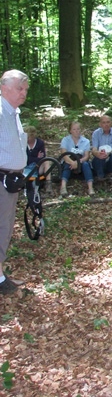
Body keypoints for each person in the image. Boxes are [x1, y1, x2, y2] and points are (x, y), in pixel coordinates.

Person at [0, 69, 29, 294]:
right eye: (20, 88)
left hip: (11, 181)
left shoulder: (13, 113)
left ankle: (0, 274)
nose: (24, 92)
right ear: (4, 87)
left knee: (6, 227)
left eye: (25, 89)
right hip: (1, 180)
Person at [59, 121, 94, 197]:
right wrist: (72, 162)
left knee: (86, 164)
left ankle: (90, 188)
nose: (76, 131)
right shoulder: (65, 140)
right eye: (74, 129)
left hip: (80, 161)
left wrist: (78, 162)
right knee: (67, 164)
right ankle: (63, 186)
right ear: (70, 130)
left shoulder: (86, 141)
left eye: (78, 129)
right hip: (68, 161)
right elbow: (64, 155)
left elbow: (87, 156)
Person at [91, 115, 112, 182]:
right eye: (104, 122)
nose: (106, 125)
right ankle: (100, 176)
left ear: (111, 123)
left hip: (110, 159)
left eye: (108, 122)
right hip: (99, 160)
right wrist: (97, 153)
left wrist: (108, 153)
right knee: (98, 157)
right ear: (100, 124)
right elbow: (94, 149)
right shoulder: (96, 133)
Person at [24, 125, 52, 192]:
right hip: (25, 167)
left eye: (28, 137)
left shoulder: (40, 143)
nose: (27, 139)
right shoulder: (23, 144)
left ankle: (48, 183)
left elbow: (42, 157)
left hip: (37, 167)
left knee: (47, 161)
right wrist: (36, 158)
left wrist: (33, 158)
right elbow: (24, 158)